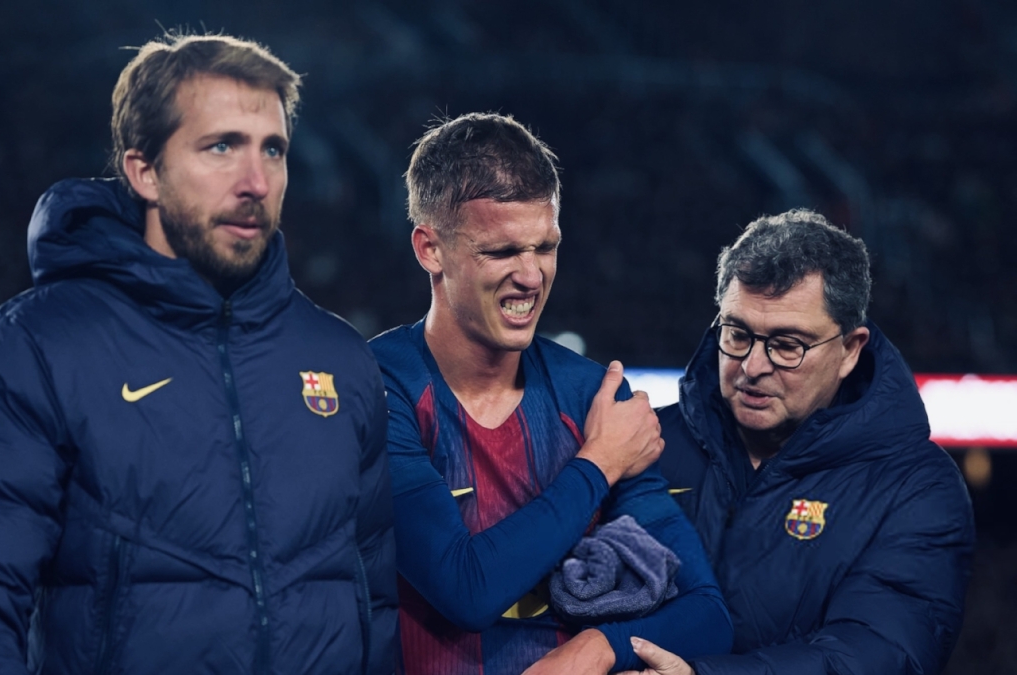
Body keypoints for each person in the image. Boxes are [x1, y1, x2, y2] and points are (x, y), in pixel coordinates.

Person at [0, 34, 397, 675]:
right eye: (222, 146)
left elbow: (377, 607)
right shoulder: (36, 349)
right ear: (144, 172)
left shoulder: (342, 360)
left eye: (272, 149)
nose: (255, 181)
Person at [369, 112, 732, 675]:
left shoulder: (591, 396)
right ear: (430, 249)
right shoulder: (378, 384)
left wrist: (599, 648)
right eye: (502, 251)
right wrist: (599, 464)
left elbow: (708, 614)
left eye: (546, 247)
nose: (532, 276)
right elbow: (467, 590)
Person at [625, 209, 973, 675]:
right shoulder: (641, 441)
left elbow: (880, 652)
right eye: (737, 334)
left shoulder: (917, 487)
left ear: (850, 350)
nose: (752, 366)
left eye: (787, 345)